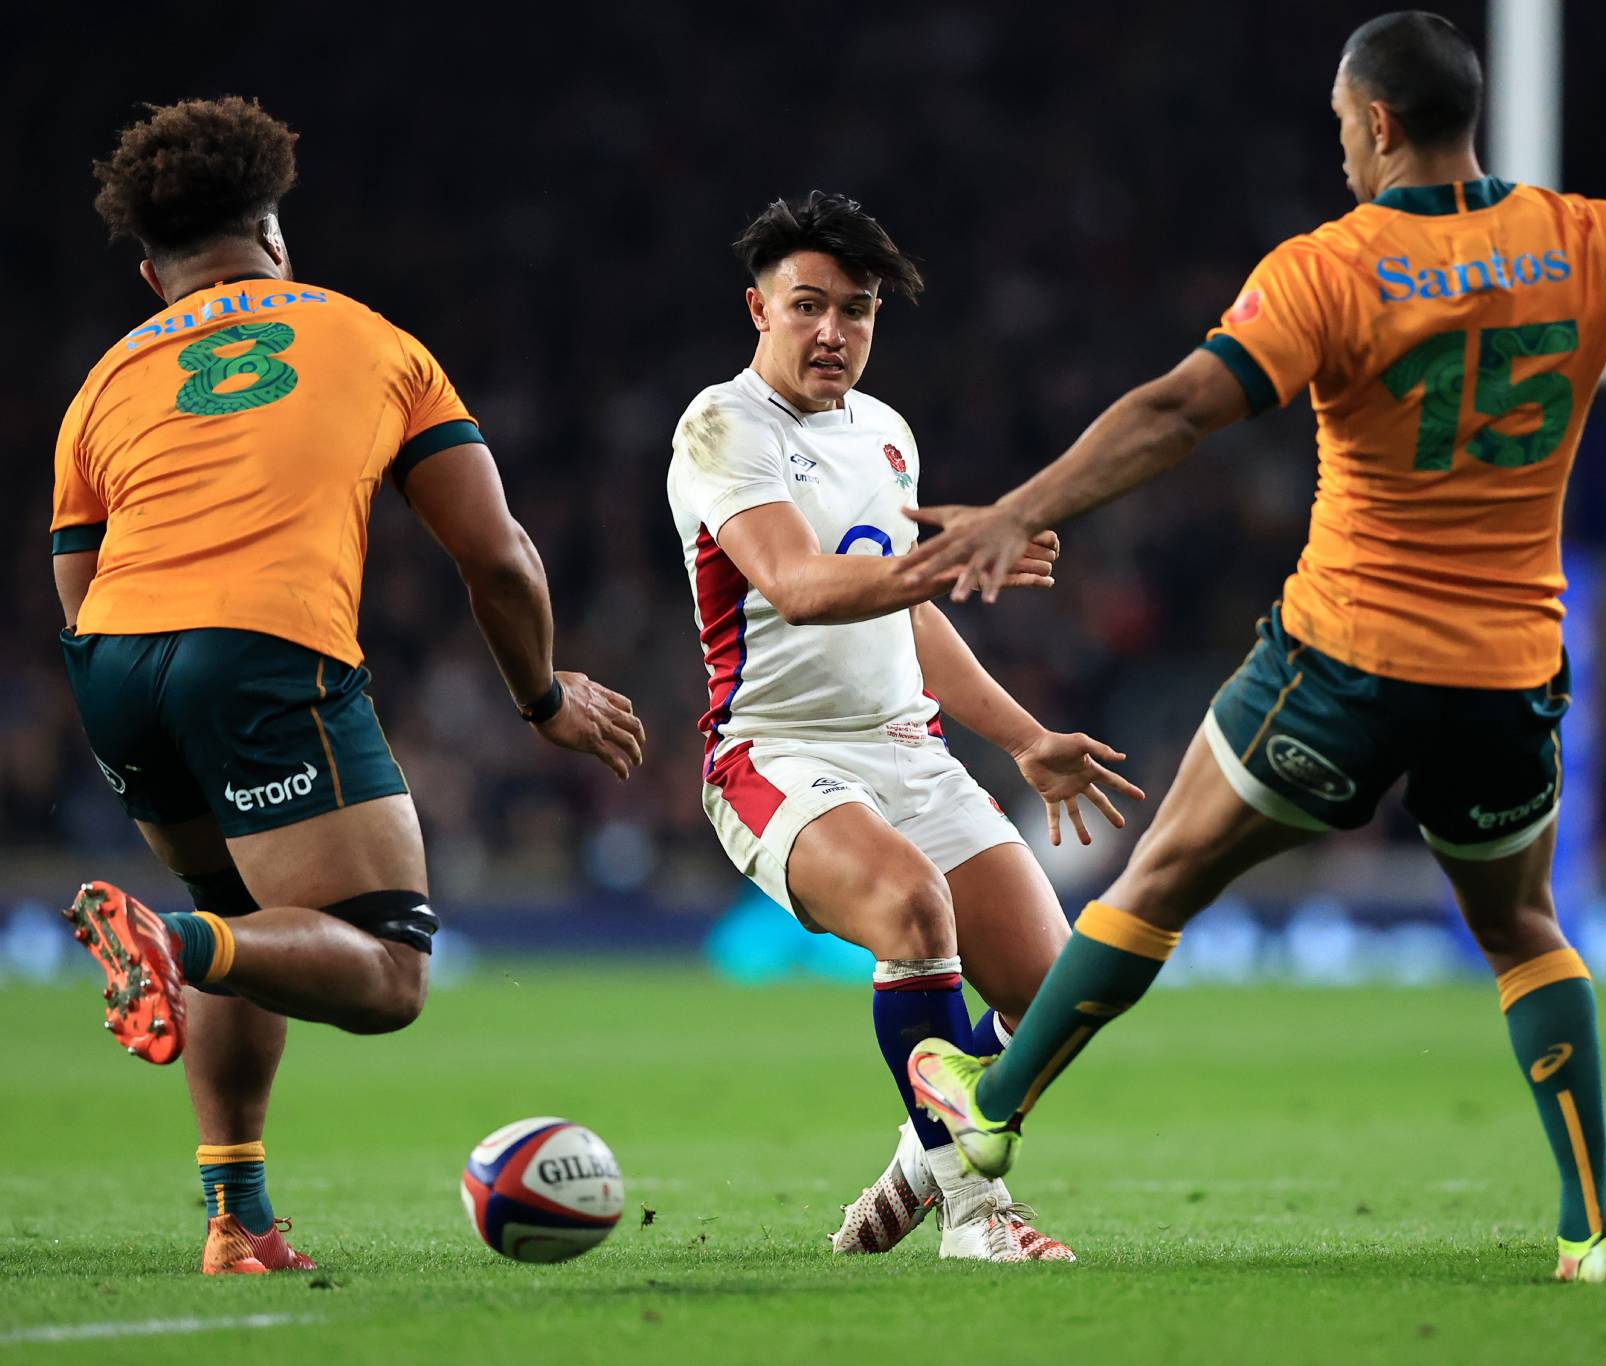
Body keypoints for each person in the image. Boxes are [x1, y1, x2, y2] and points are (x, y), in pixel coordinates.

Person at [894, 11, 1606, 1283]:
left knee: (1159, 880)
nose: (1341, 156)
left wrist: (1018, 511)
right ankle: (1594, 1228)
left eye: (1339, 129)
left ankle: (989, 1110)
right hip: (1507, 675)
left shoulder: (1331, 264)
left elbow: (1179, 408)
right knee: (1525, 924)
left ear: (1374, 122)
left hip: (1342, 660)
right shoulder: (1585, 238)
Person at [52, 97, 646, 1275]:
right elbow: (497, 555)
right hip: (262, 653)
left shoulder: (104, 383)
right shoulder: (371, 340)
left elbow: (75, 582)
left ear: (148, 269)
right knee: (386, 966)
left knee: (248, 921)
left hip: (115, 664)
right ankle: (164, 942)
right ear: (273, 233)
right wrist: (542, 697)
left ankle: (239, 1220)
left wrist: (146, 693)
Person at [668, 191, 1142, 1262]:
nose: (833, 331)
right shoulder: (720, 425)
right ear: (758, 310)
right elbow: (796, 584)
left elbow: (907, 609)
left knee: (1057, 993)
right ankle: (976, 1216)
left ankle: (919, 1160)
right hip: (774, 752)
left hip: (905, 750)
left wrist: (1023, 737)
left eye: (858, 309)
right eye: (808, 306)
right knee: (909, 909)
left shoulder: (884, 434)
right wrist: (954, 552)